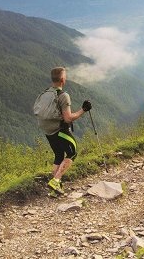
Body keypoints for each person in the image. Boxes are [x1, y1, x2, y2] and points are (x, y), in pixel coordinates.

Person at [41, 67, 91, 196]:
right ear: (63, 80)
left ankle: (54, 188)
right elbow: (68, 118)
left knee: (58, 155)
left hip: (48, 131)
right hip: (60, 130)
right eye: (65, 76)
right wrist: (83, 110)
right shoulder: (63, 96)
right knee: (72, 153)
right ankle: (56, 180)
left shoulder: (46, 93)